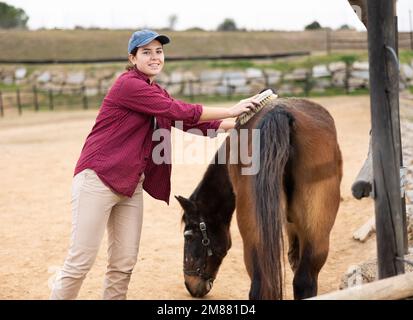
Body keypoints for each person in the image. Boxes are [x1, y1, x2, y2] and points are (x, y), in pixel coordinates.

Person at [50, 29, 258, 300]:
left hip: (130, 186)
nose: (154, 57)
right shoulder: (129, 85)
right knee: (80, 261)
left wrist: (241, 122)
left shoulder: (156, 91)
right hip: (98, 179)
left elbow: (189, 122)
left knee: (123, 263)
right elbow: (179, 111)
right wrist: (231, 109)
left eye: (159, 51)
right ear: (132, 57)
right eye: (146, 52)